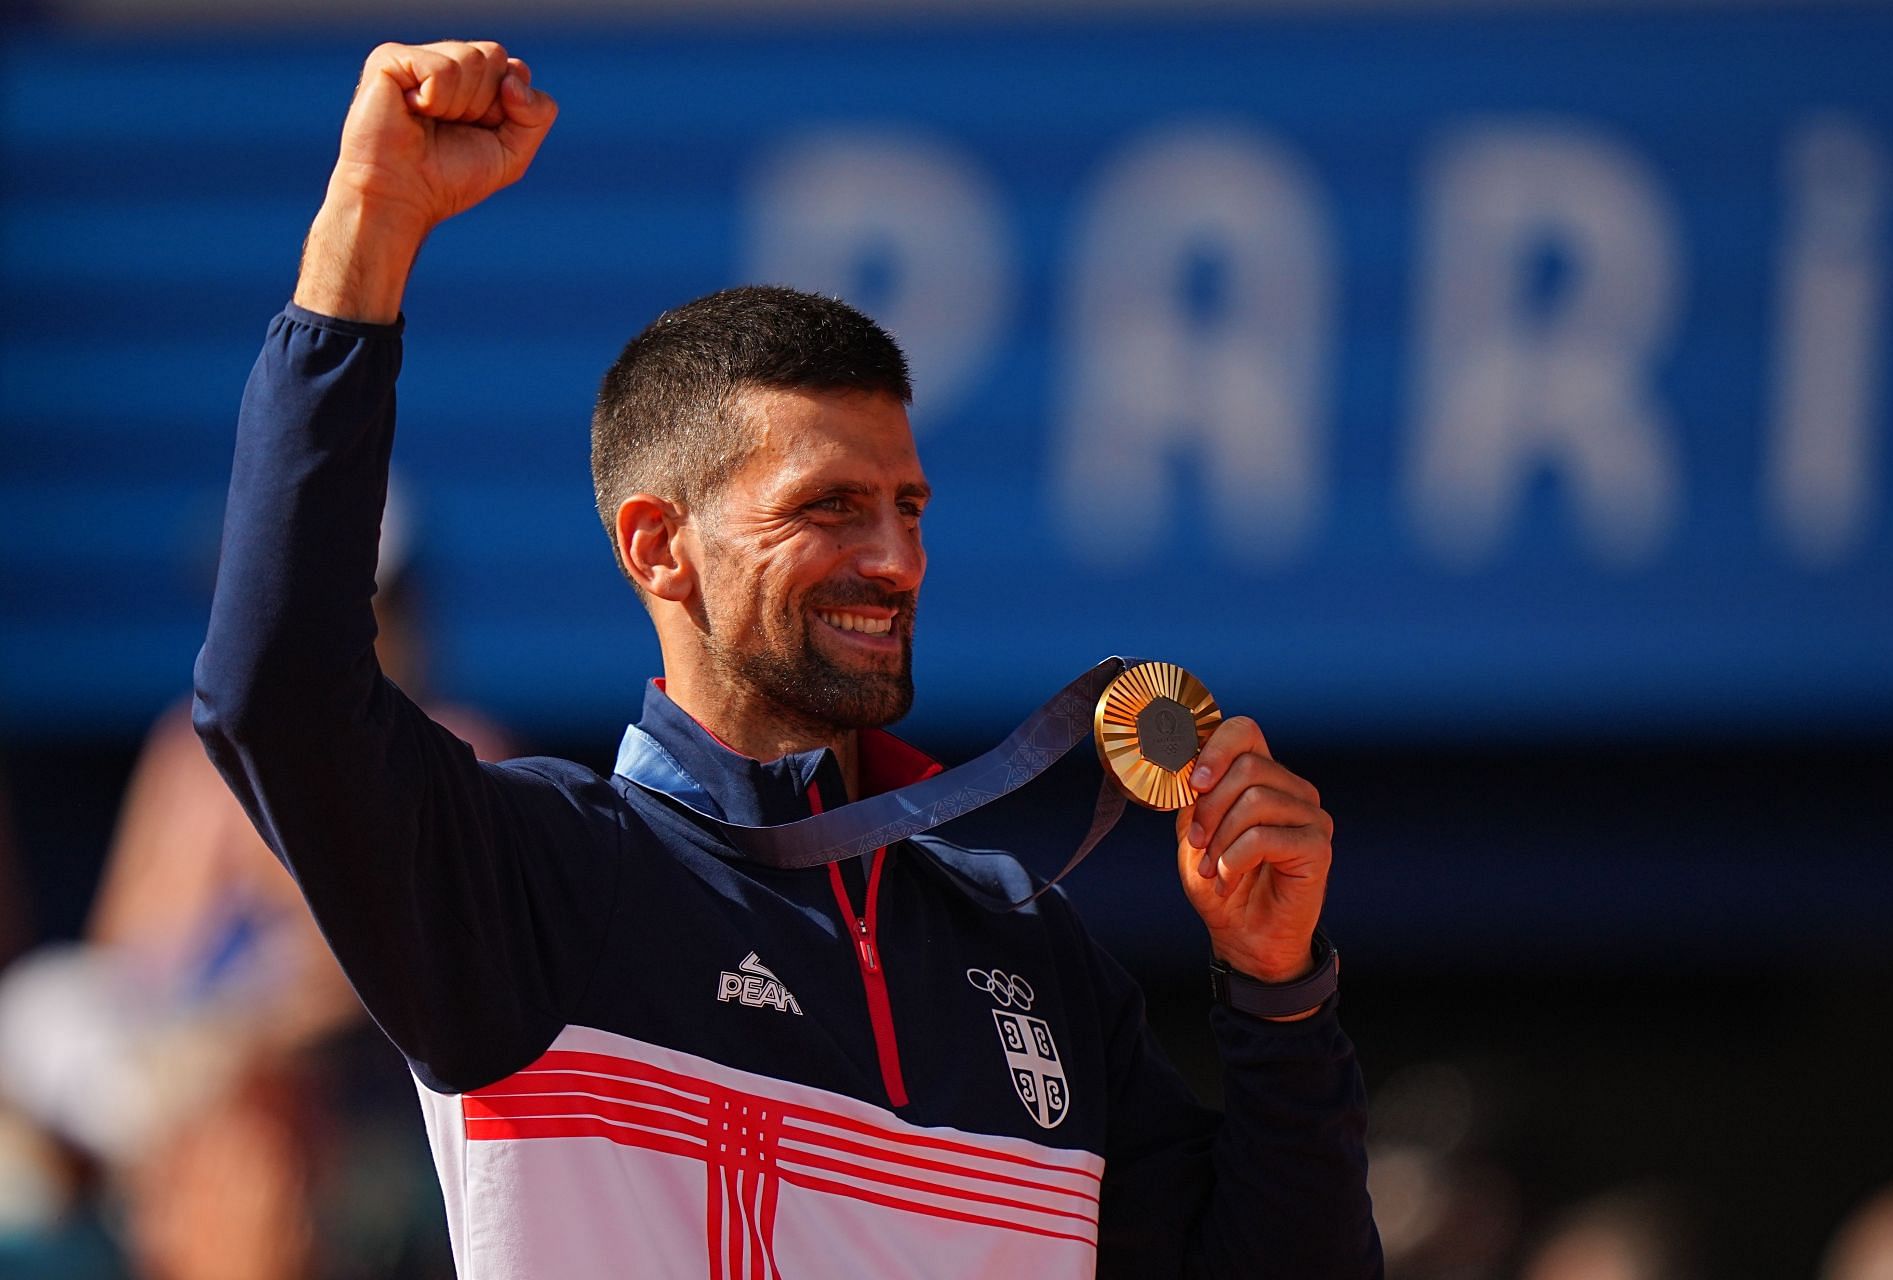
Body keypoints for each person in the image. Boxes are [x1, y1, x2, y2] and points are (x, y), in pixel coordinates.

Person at [193, 39, 1381, 1278]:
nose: (896, 557)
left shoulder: (1032, 951)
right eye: (830, 507)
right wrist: (365, 238)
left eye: (909, 506)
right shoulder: (543, 880)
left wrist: (1276, 988)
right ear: (660, 547)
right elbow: (275, 689)